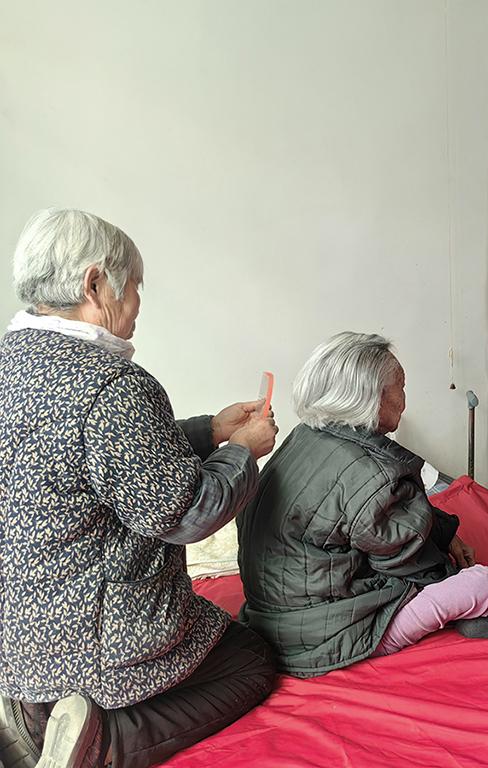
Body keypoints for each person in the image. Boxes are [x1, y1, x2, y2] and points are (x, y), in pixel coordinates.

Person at [0, 209, 279, 768]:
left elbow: (96, 456)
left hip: (20, 633)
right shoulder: (113, 384)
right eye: (133, 287)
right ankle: (102, 741)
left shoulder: (12, 362)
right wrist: (243, 451)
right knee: (251, 659)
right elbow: (189, 512)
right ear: (95, 285)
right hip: (93, 638)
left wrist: (210, 430)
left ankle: (30, 712)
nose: (137, 303)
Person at [236, 332, 488, 676]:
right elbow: (416, 565)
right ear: (373, 397)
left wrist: (445, 535)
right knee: (477, 585)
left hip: (272, 614)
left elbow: (371, 517)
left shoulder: (306, 435)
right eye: (402, 387)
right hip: (324, 639)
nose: (405, 400)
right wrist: (453, 580)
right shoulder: (373, 475)